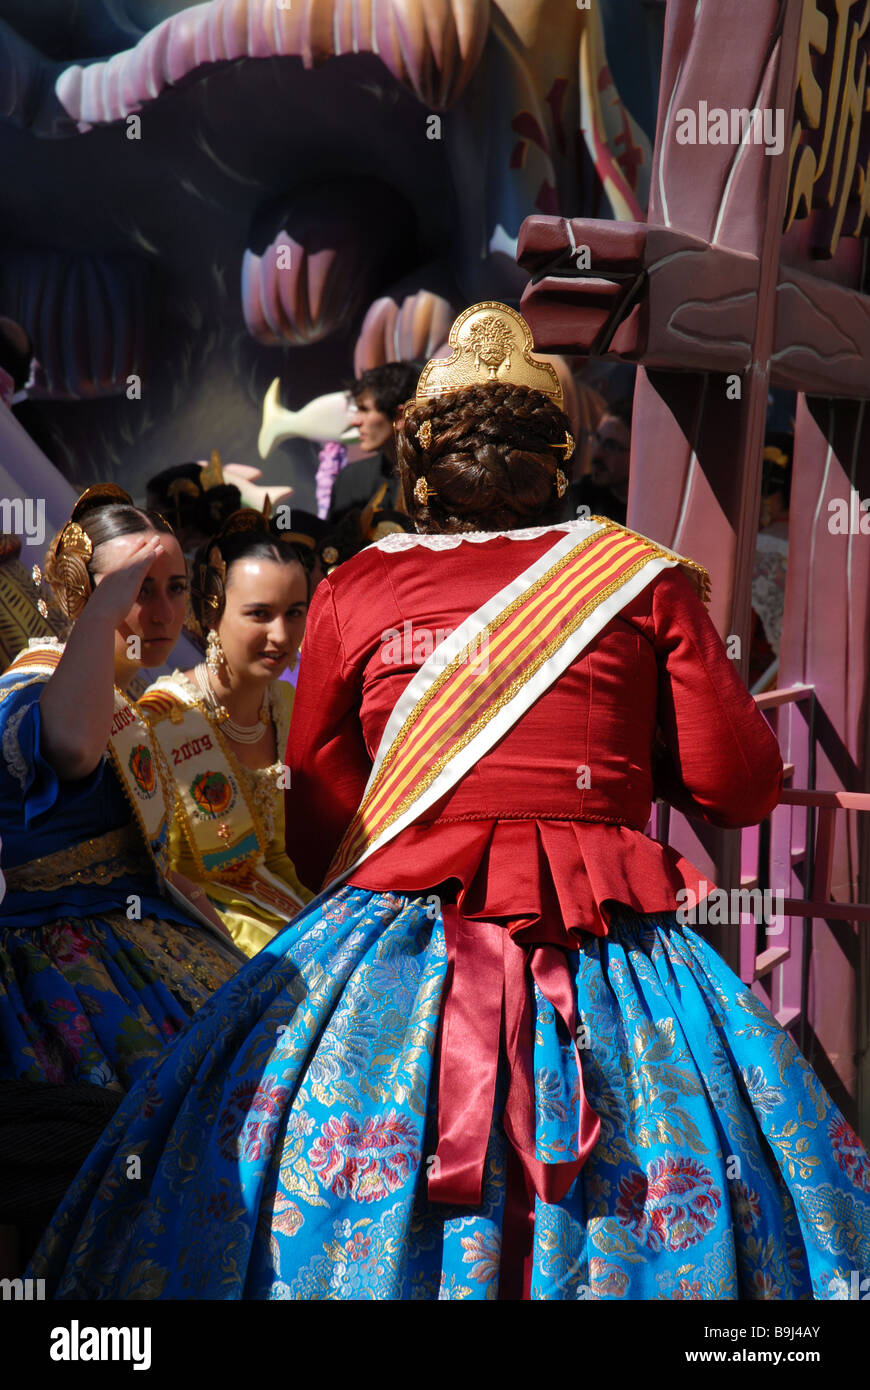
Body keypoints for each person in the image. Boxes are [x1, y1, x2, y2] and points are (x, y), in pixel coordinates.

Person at [29, 307, 869, 1301]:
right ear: (562, 461)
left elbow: (315, 827)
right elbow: (740, 785)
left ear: (419, 468)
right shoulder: (639, 582)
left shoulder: (358, 586)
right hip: (614, 946)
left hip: (390, 939)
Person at [0, 485, 243, 1271]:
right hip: (65, 975)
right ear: (81, 594)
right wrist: (99, 613)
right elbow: (68, 750)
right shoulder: (31, 689)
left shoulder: (134, 697)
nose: (162, 611)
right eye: (136, 590)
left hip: (144, 944)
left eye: (174, 588)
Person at [137, 511, 313, 957]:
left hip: (284, 911)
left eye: (294, 613)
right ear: (212, 613)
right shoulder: (164, 717)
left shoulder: (289, 707)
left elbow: (282, 855)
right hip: (197, 931)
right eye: (260, 614)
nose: (281, 635)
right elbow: (153, 872)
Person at [326, 362, 420, 522]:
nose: (355, 421)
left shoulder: (439, 477)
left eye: (365, 409)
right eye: (357, 410)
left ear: (400, 416)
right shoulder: (350, 479)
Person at [567, 396, 632, 525]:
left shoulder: (652, 509)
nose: (597, 454)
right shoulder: (577, 499)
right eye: (597, 439)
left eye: (611, 446)